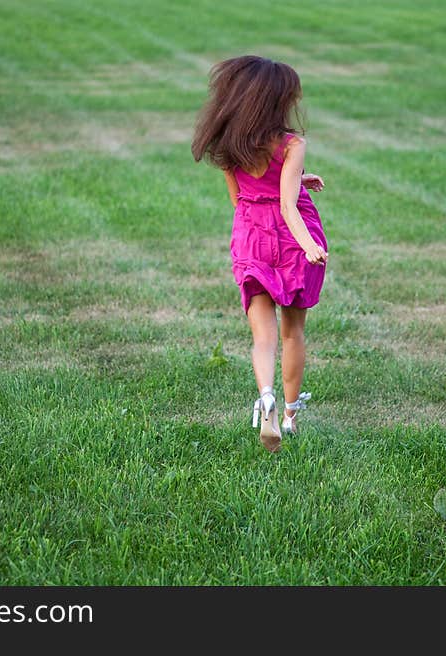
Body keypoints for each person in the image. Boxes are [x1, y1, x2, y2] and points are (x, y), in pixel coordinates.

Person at [192, 55, 329, 453]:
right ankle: (289, 415)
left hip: (250, 237)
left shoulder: (229, 143)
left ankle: (265, 395)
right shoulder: (291, 144)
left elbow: (243, 199)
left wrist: (298, 179)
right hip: (290, 240)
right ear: (276, 101)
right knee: (293, 331)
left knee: (263, 337)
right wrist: (310, 247)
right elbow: (287, 207)